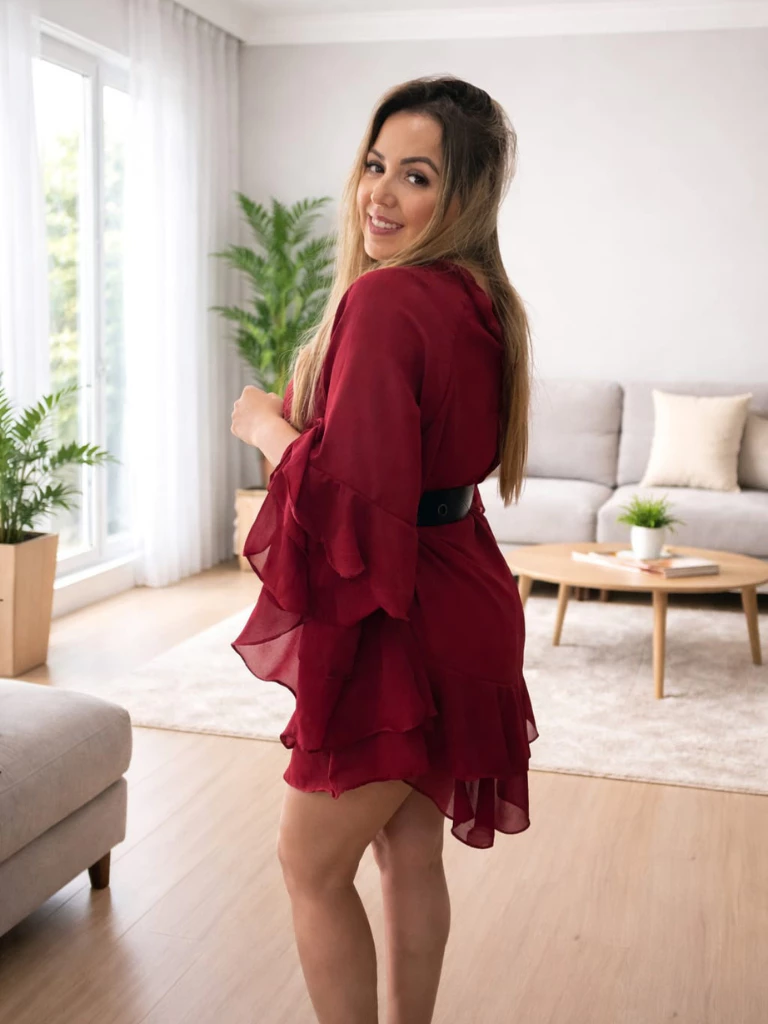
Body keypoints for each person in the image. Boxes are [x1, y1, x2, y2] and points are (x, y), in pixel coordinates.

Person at [230, 75, 538, 1024]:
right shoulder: (486, 302)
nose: (381, 194)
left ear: (464, 198)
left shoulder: (388, 301)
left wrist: (265, 426)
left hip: (403, 615)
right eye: (376, 165)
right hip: (465, 593)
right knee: (407, 853)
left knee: (308, 864)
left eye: (417, 177)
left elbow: (351, 504)